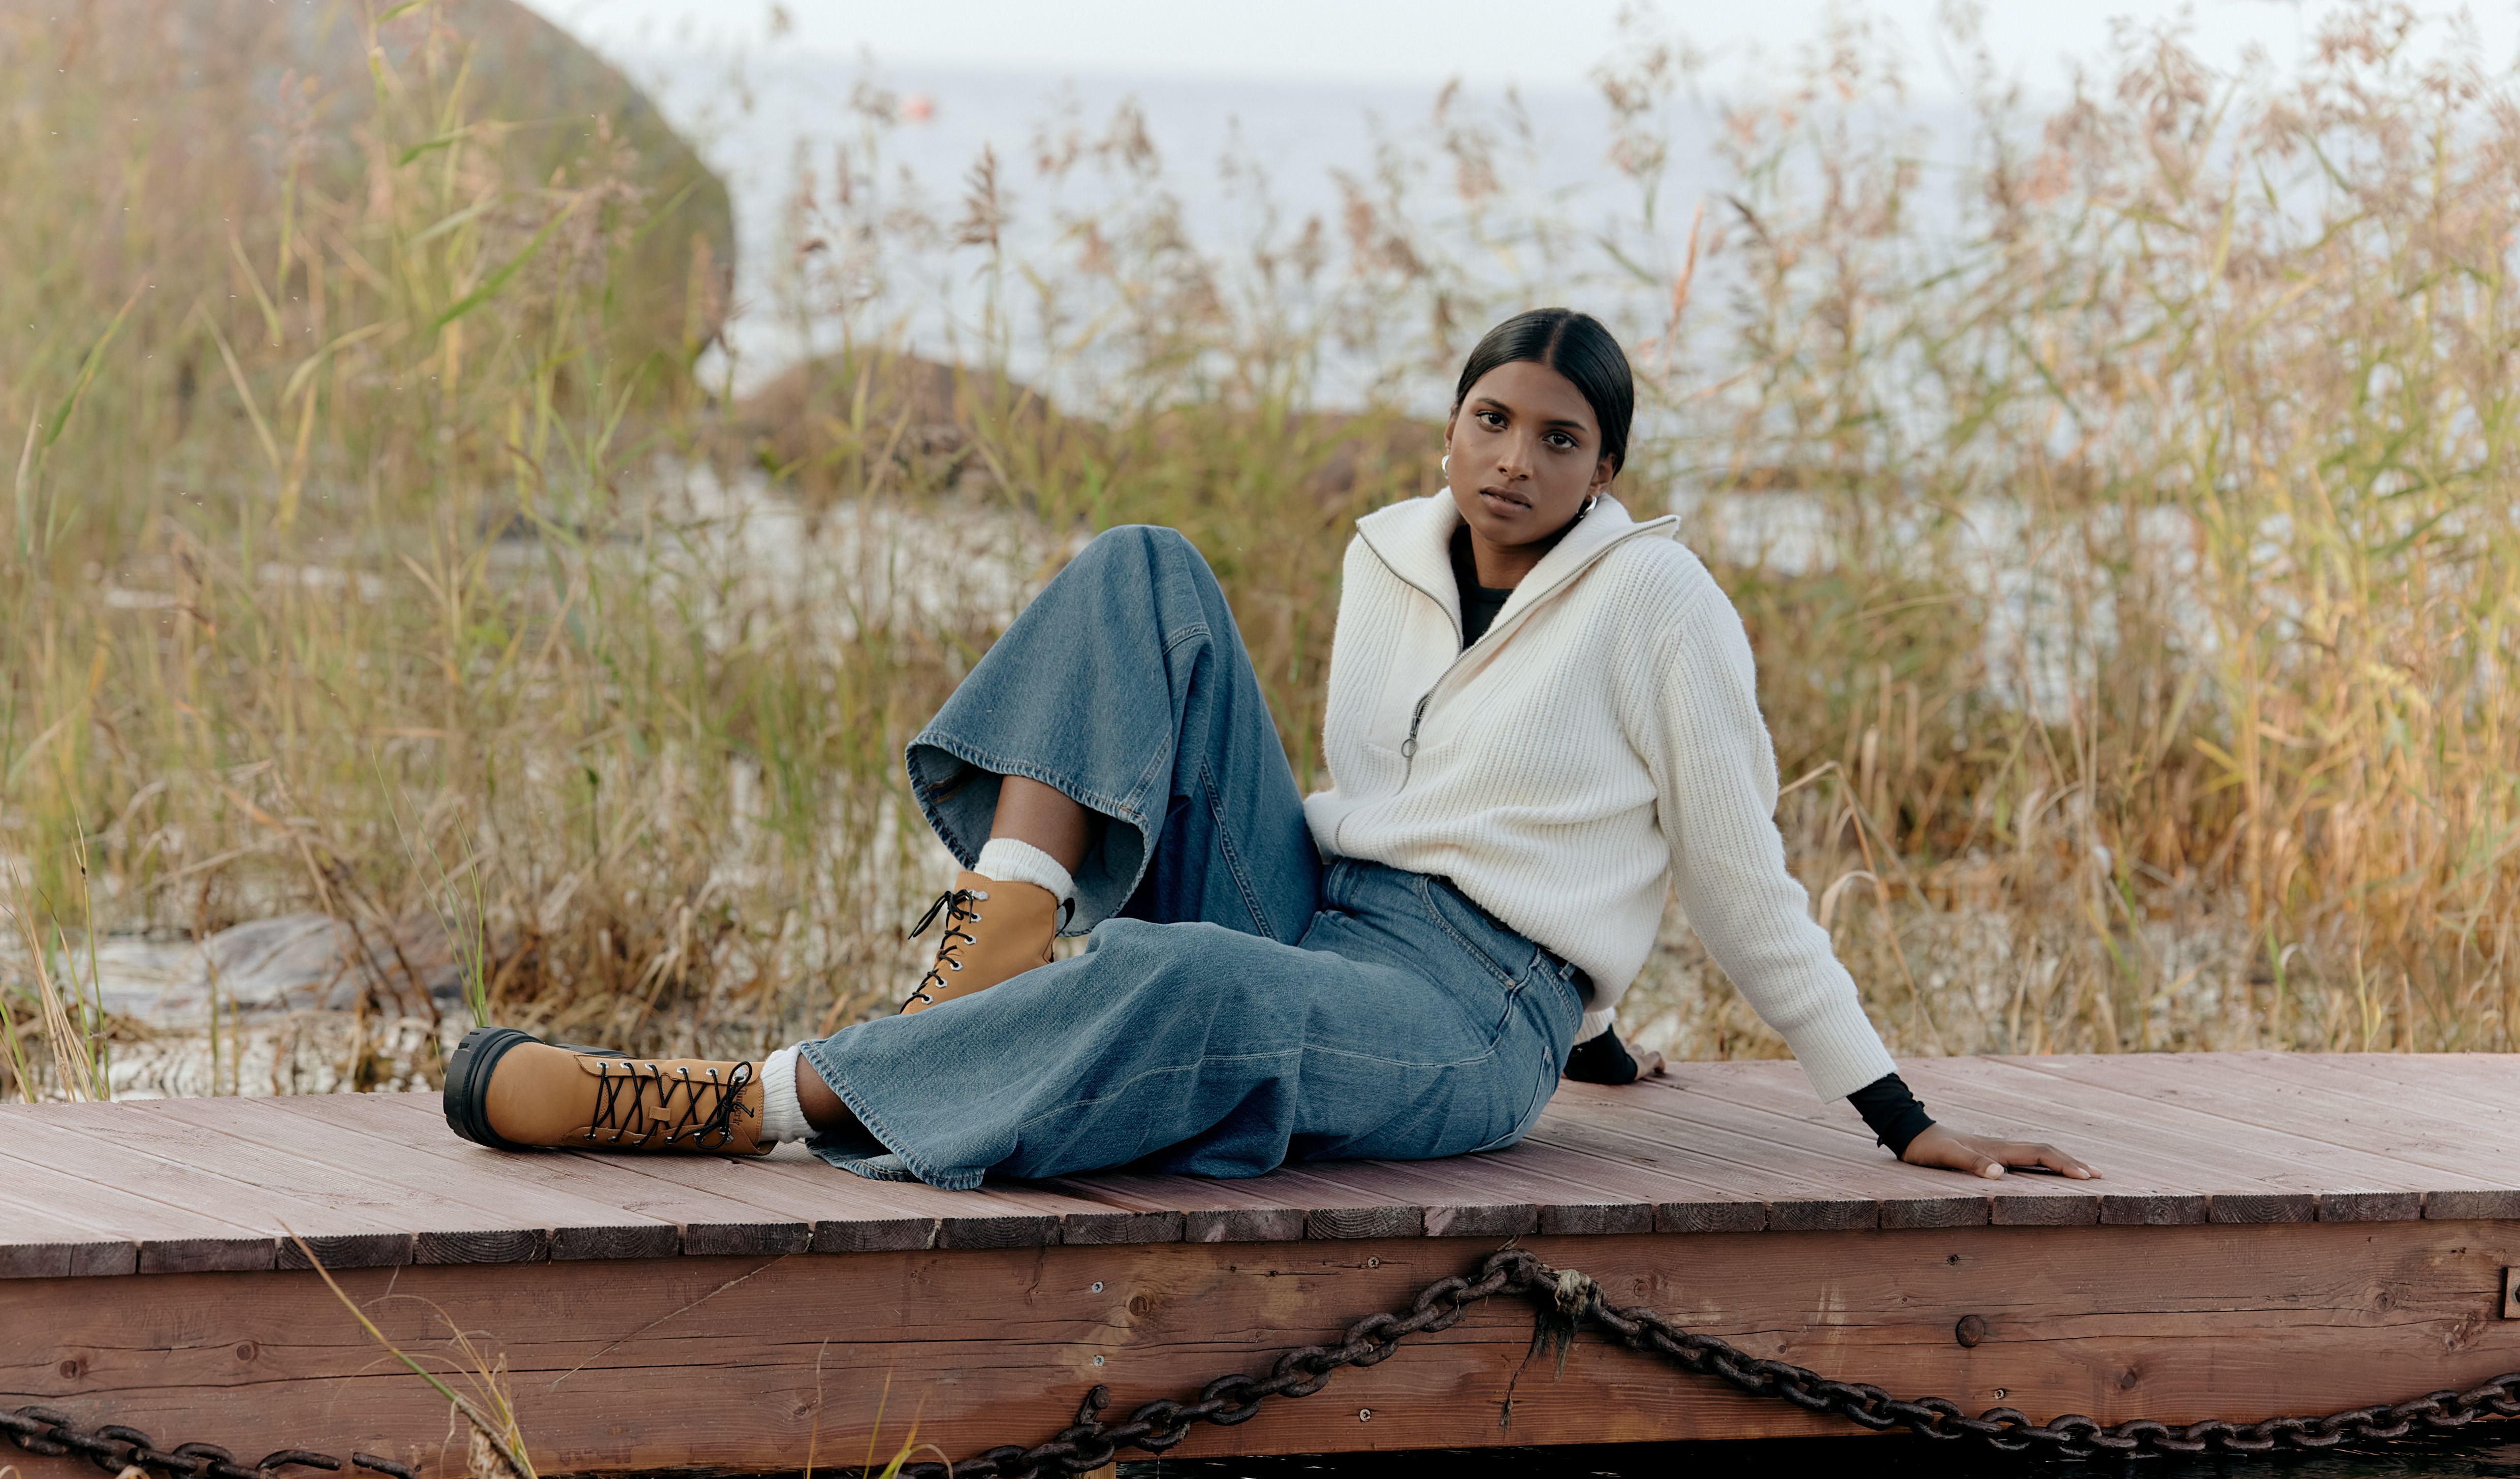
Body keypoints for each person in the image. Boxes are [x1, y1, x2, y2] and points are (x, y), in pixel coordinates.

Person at [442, 308, 2098, 1189]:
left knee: (1184, 975)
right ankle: (991, 951)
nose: (1511, 460)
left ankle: (747, 1108)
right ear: (1450, 423)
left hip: (1468, 1010)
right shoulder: (1390, 550)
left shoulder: (1658, 600)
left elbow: (1737, 878)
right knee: (1141, 564)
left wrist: (1892, 1115)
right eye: (1489, 419)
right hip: (1324, 900)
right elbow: (1439, 796)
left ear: (1605, 470)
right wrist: (1621, 1022)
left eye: (1558, 439)